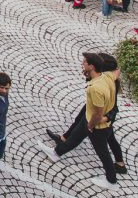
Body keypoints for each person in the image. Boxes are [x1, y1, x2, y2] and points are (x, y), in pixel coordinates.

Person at [42, 52, 119, 186]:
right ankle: (56, 153)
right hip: (89, 119)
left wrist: (90, 125)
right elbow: (117, 71)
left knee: (103, 153)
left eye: (84, 62)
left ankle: (111, 180)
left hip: (96, 126)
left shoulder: (95, 88)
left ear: (92, 66)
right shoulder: (107, 76)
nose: (82, 64)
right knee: (74, 138)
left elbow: (98, 113)